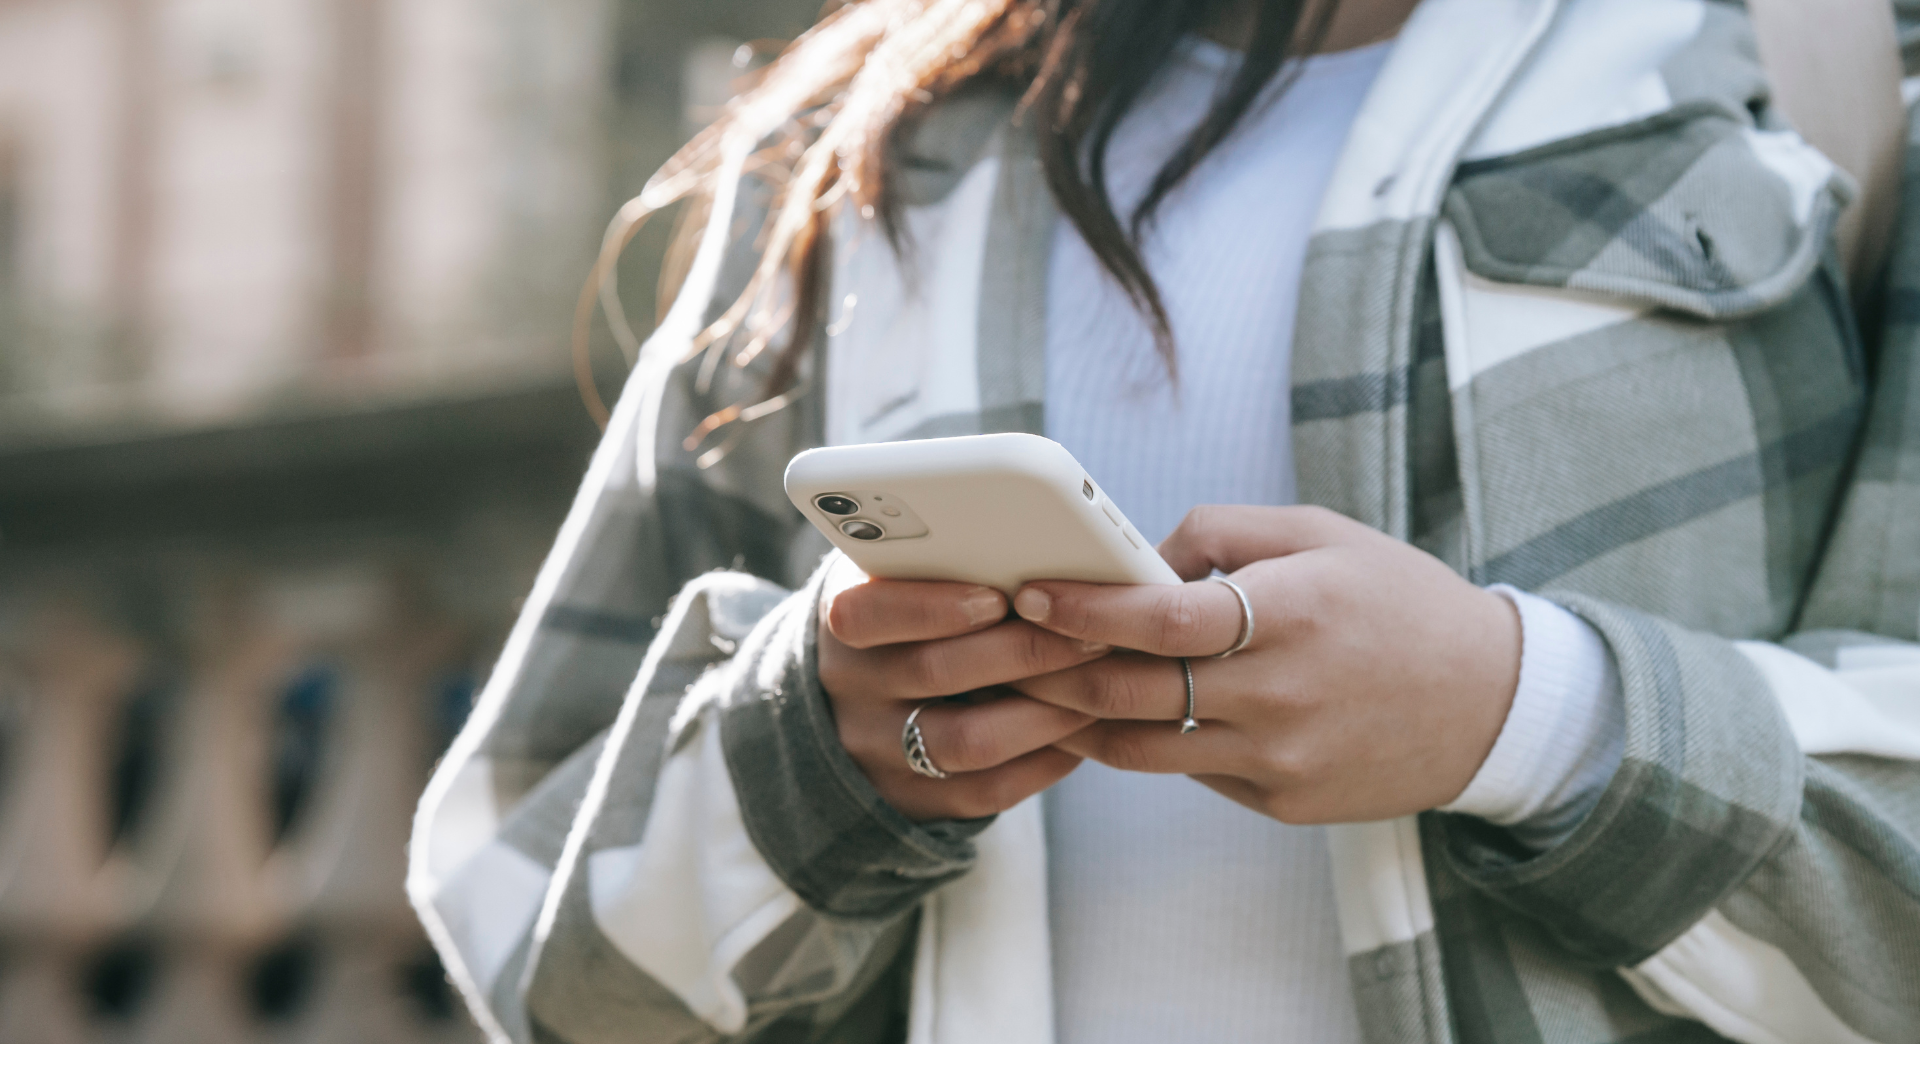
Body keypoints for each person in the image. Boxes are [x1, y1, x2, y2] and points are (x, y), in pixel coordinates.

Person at [407, 0, 1920, 1042]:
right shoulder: (856, 160)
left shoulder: (1812, 65)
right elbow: (530, 948)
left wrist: (1526, 716)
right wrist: (825, 756)